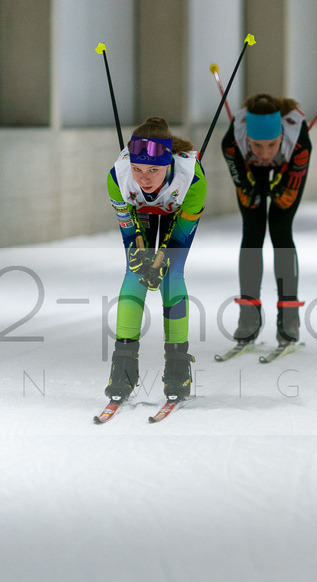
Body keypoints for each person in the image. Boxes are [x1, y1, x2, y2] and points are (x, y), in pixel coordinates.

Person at [104, 117, 205, 401]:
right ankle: (123, 367)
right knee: (135, 273)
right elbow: (128, 232)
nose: (144, 178)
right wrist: (140, 256)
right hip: (142, 212)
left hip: (177, 209)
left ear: (169, 163)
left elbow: (178, 239)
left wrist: (162, 260)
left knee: (171, 275)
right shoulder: (118, 178)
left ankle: (178, 368)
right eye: (137, 168)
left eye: (153, 170)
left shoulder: (192, 179)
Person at [221, 93, 311, 346]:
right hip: (249, 169)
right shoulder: (232, 142)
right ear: (247, 137)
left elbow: (291, 186)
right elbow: (240, 177)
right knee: (252, 232)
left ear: (281, 136)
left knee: (281, 230)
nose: (264, 153)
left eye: (271, 145)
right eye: (257, 145)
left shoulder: (299, 140)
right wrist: (250, 188)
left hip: (289, 164)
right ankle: (248, 317)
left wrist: (281, 188)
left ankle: (289, 319)